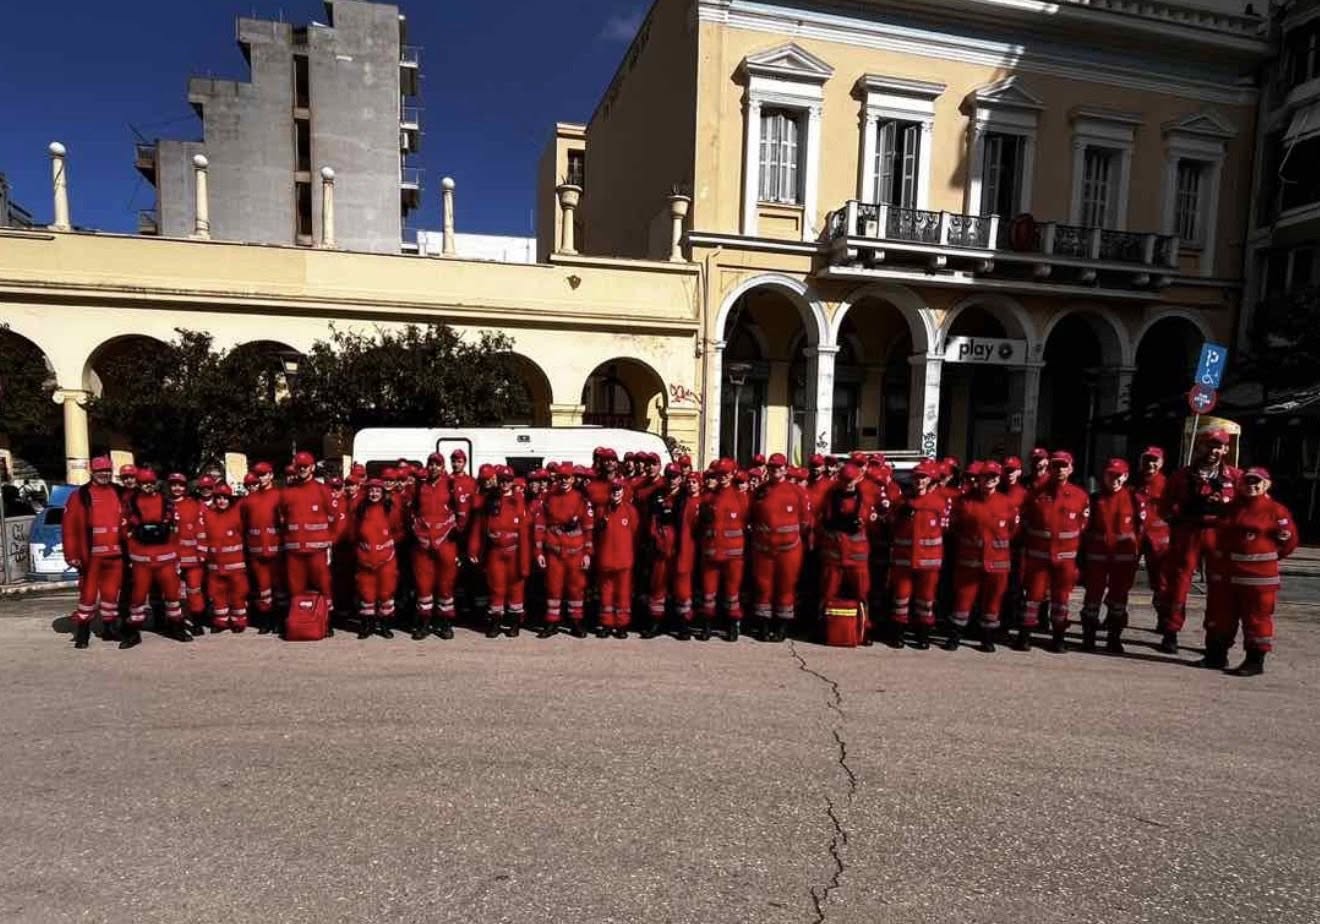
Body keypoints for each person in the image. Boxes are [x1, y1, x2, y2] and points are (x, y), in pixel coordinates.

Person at [1202, 467, 1298, 676]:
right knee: (1221, 618)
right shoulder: (1231, 508)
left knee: (1256, 620)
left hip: (1258, 582)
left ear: (1266, 485)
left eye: (1257, 482)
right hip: (1227, 579)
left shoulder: (1275, 511)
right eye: (1248, 482)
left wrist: (1267, 558)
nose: (1251, 486)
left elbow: (1289, 541)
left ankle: (1254, 661)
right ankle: (1216, 656)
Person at [1158, 429, 1240, 653]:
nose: (1213, 450)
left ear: (1225, 449)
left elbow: (1246, 507)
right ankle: (1171, 631)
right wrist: (1182, 509)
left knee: (1219, 586)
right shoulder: (1181, 476)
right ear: (1199, 446)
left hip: (1218, 535)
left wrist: (1223, 506)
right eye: (1208, 445)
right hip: (1189, 532)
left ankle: (1215, 636)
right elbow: (1164, 507)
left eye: (1218, 446)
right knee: (1179, 583)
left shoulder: (1235, 477)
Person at [1020, 451, 1090, 652]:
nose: (1059, 470)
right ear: (1050, 468)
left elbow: (1083, 524)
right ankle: (1025, 636)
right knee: (1033, 597)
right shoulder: (1035, 494)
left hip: (1065, 560)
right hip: (1039, 558)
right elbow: (1025, 522)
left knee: (1061, 600)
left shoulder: (1080, 496)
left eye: (1063, 466)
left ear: (1070, 469)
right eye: (1056, 465)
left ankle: (1058, 637)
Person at [948, 461, 1019, 652]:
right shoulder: (965, 502)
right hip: (969, 563)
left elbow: (1012, 530)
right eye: (986, 476)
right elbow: (955, 527)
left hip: (998, 564)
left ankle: (987, 639)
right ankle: (955, 636)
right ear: (978, 479)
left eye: (994, 477)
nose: (990, 480)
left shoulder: (1007, 503)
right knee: (963, 600)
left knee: (993, 602)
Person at [1079, 459, 1145, 653]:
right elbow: (1085, 528)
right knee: (1092, 599)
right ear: (1104, 476)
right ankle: (1088, 639)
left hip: (1123, 560)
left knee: (1118, 601)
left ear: (1125, 477)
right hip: (1097, 558)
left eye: (1118, 476)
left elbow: (1140, 530)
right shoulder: (1094, 499)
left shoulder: (1134, 499)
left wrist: (1135, 555)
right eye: (1110, 476)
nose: (1114, 480)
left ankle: (1114, 639)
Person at [62, 456, 125, 648]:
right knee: (88, 596)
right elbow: (69, 528)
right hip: (91, 556)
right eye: (100, 471)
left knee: (111, 594)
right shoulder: (80, 495)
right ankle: (82, 632)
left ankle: (109, 628)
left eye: (107, 471)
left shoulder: (119, 492)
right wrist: (72, 555)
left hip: (116, 555)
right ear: (92, 472)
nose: (104, 474)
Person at [122, 468, 189, 644]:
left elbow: (175, 531)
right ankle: (132, 632)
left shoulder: (166, 502)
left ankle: (177, 628)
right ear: (139, 484)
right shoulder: (131, 503)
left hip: (165, 558)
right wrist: (131, 555)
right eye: (144, 483)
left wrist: (177, 557)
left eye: (151, 483)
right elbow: (126, 531)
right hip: (141, 560)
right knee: (138, 597)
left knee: (172, 596)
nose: (148, 486)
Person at [749, 453, 809, 643]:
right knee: (763, 587)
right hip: (763, 550)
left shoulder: (796, 492)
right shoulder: (760, 491)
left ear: (785, 469)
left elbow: (805, 521)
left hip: (789, 550)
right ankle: (764, 626)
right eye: (773, 468)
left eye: (779, 468)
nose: (776, 471)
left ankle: (782, 628)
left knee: (786, 587)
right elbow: (751, 517)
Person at [887, 460, 945, 649]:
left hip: (929, 563)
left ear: (929, 480)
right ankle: (897, 633)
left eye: (923, 478)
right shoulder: (902, 502)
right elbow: (891, 524)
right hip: (904, 561)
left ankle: (923, 635)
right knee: (901, 598)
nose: (919, 481)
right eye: (917, 478)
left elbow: (946, 529)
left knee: (926, 599)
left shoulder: (937, 503)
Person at [279, 452, 338, 633]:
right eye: (300, 466)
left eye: (306, 466)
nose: (303, 469)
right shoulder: (287, 492)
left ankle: (326, 622)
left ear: (312, 467)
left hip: (317, 551)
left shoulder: (322, 490)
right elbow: (282, 519)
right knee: (296, 588)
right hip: (295, 552)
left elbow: (334, 519)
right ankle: (299, 622)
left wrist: (329, 542)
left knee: (324, 585)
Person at [469, 467, 531, 637]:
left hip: (514, 551)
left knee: (516, 587)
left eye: (508, 480)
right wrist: (474, 549)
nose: (505, 483)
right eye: (502, 480)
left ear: (512, 482)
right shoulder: (489, 500)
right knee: (496, 587)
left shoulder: (519, 501)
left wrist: (524, 562)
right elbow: (478, 527)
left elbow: (524, 533)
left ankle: (514, 623)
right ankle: (496, 621)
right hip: (495, 551)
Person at [820, 463, 877, 643]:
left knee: (862, 595)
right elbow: (826, 521)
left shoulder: (864, 497)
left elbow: (863, 521)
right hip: (834, 556)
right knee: (827, 593)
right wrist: (842, 524)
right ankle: (825, 627)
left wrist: (844, 523)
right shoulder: (830, 497)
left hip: (857, 557)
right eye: (844, 481)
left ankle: (864, 629)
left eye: (850, 481)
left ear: (857, 479)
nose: (847, 485)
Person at [535, 462, 594, 638]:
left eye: (567, 478)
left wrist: (587, 554)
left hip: (575, 552)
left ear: (573, 479)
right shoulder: (548, 498)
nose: (564, 481)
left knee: (576, 589)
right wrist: (538, 552)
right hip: (554, 552)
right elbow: (539, 526)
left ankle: (576, 622)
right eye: (561, 478)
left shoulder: (581, 499)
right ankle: (552, 623)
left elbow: (588, 528)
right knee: (554, 589)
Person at [411, 452, 464, 640]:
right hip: (423, 545)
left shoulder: (450, 485)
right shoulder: (420, 487)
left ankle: (445, 624)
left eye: (437, 464)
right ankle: (424, 624)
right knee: (423, 586)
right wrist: (418, 533)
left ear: (443, 467)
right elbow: (412, 512)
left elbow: (461, 513)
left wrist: (453, 532)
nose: (434, 468)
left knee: (445, 586)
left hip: (445, 543)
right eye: (431, 464)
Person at [698, 458, 748, 641]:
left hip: (733, 555)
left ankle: (732, 625)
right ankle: (707, 626)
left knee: (732, 593)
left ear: (733, 474)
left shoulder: (740, 497)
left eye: (726, 473)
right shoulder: (709, 497)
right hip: (711, 552)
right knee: (708, 592)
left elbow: (746, 522)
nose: (723, 477)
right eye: (720, 474)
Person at [641, 464, 685, 638]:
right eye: (669, 476)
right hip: (661, 544)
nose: (672, 480)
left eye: (675, 476)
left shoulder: (685, 495)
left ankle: (681, 624)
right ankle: (656, 622)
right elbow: (651, 519)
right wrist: (655, 538)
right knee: (658, 585)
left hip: (680, 545)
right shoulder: (657, 494)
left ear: (681, 478)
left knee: (680, 587)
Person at [241, 461, 284, 634]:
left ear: (271, 475)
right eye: (259, 475)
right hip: (256, 550)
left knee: (279, 588)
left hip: (276, 550)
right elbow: (243, 524)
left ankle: (280, 620)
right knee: (263, 588)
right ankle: (265, 621)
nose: (262, 478)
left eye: (265, 474)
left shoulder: (280, 496)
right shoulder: (249, 500)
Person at [354, 479, 400, 639]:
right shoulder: (360, 509)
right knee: (367, 594)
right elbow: (354, 532)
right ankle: (367, 625)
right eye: (371, 491)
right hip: (365, 559)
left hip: (386, 559)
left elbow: (397, 530)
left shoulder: (389, 509)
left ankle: (385, 626)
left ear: (382, 493)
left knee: (386, 593)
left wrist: (388, 546)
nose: (374, 494)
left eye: (377, 491)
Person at [1131, 446, 1171, 629]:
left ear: (1161, 463)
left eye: (1154, 460)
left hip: (1159, 540)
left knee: (1161, 581)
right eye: (1147, 460)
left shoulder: (1167, 485)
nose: (1150, 464)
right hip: (1134, 537)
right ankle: (1114, 617)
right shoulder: (1133, 482)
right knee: (1122, 578)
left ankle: (1164, 619)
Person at [201, 484, 250, 632]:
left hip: (235, 565)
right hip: (215, 565)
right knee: (217, 594)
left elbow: (243, 533)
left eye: (225, 498)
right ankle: (221, 621)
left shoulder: (236, 514)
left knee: (238, 593)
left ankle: (239, 620)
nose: (222, 501)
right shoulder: (208, 515)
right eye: (219, 498)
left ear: (230, 500)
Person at [594, 478, 639, 638]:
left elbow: (634, 531)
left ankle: (622, 625)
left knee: (623, 594)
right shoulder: (601, 510)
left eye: (619, 490)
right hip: (606, 559)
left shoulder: (630, 510)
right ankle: (606, 623)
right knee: (606, 593)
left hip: (624, 560)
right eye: (613, 490)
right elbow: (596, 533)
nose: (616, 493)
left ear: (623, 491)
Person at [168, 473, 208, 635]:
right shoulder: (165, 505)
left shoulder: (194, 504)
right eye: (174, 485)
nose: (177, 488)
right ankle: (174, 623)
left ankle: (197, 623)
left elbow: (201, 530)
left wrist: (202, 552)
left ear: (186, 487)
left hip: (193, 558)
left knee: (194, 590)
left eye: (181, 485)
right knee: (172, 592)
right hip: (171, 558)